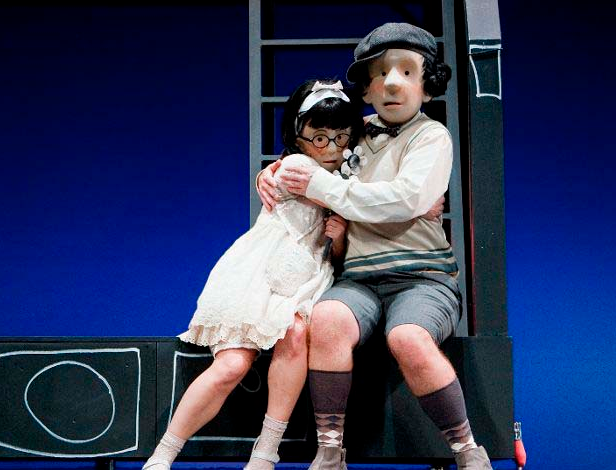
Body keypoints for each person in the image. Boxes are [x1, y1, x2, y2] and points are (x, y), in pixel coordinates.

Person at [257, 22, 492, 470]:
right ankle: (330, 450)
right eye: (380, 74)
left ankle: (468, 450)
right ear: (365, 88)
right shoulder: (355, 132)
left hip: (422, 278)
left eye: (407, 72)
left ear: (427, 86)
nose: (393, 84)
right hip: (359, 279)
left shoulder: (430, 137)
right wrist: (271, 173)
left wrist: (325, 187)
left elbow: (406, 198)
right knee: (326, 320)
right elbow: (309, 151)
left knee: (408, 337)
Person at [141, 78, 362, 470]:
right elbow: (345, 194)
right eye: (319, 138)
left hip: (306, 279)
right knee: (231, 366)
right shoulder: (296, 167)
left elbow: (337, 249)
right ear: (298, 134)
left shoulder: (339, 175)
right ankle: (163, 454)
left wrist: (340, 235)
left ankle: (266, 452)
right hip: (259, 276)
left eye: (341, 137)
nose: (331, 148)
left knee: (295, 332)